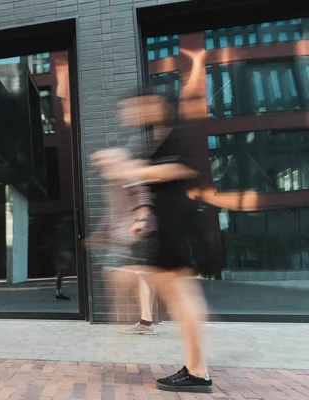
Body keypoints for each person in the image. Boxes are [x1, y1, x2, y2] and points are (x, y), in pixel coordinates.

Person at [92, 48, 213, 393]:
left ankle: (198, 371)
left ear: (151, 105)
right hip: (169, 224)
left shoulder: (178, 130)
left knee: (181, 298)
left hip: (176, 223)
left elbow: (183, 169)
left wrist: (131, 169)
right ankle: (195, 367)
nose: (127, 115)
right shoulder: (154, 136)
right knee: (178, 298)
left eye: (131, 108)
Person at [51, 215, 73, 301]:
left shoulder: (62, 228)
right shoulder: (60, 228)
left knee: (61, 272)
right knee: (61, 272)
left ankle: (58, 292)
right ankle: (58, 292)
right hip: (62, 252)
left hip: (63, 252)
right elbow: (56, 242)